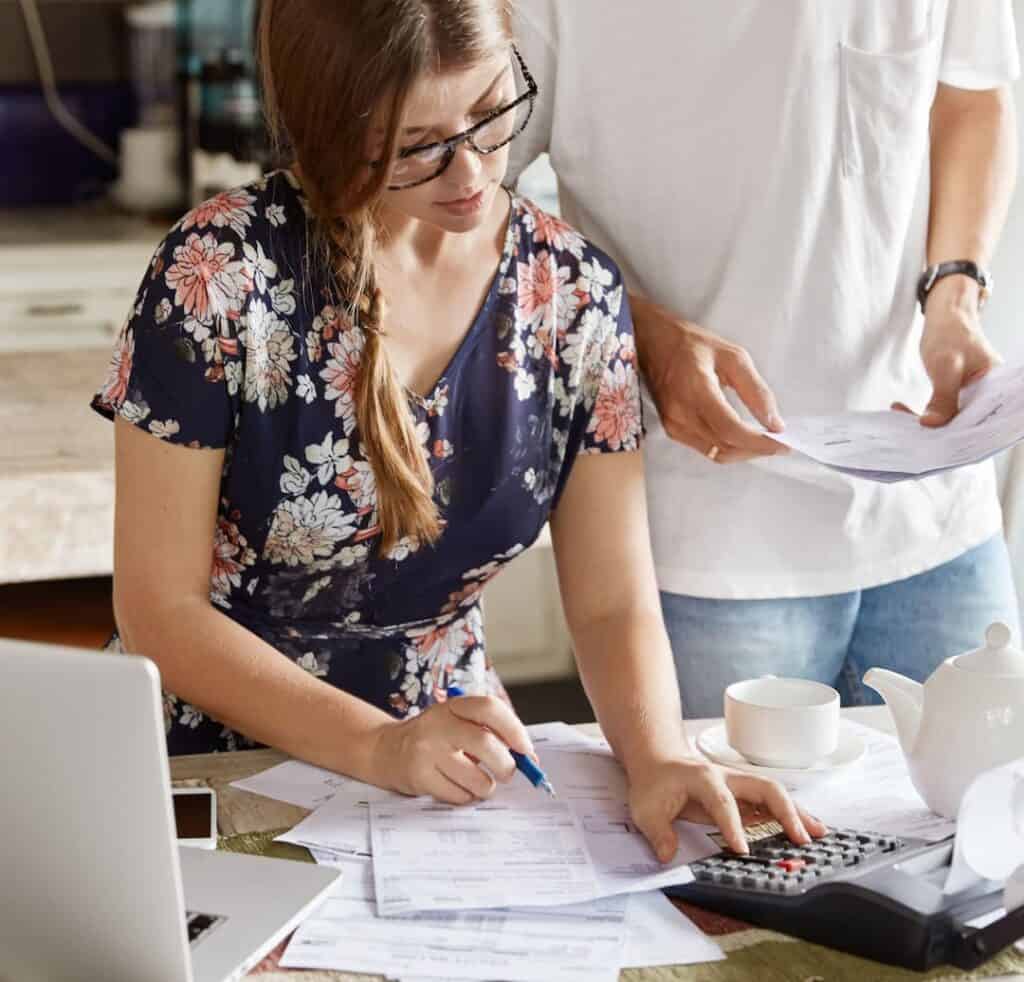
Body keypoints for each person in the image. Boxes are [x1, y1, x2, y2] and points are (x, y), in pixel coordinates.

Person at [91, 0, 822, 859]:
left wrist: (658, 754)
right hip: (211, 767)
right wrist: (378, 746)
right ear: (332, 131)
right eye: (419, 146)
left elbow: (611, 598)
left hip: (455, 769)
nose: (472, 172)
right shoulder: (217, 273)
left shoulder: (574, 292)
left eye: (490, 114)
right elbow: (158, 611)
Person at [509, 0, 1022, 718]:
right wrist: (643, 333)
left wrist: (955, 290)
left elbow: (972, 97)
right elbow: (461, 187)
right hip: (703, 528)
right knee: (727, 829)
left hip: (934, 508)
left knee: (987, 814)